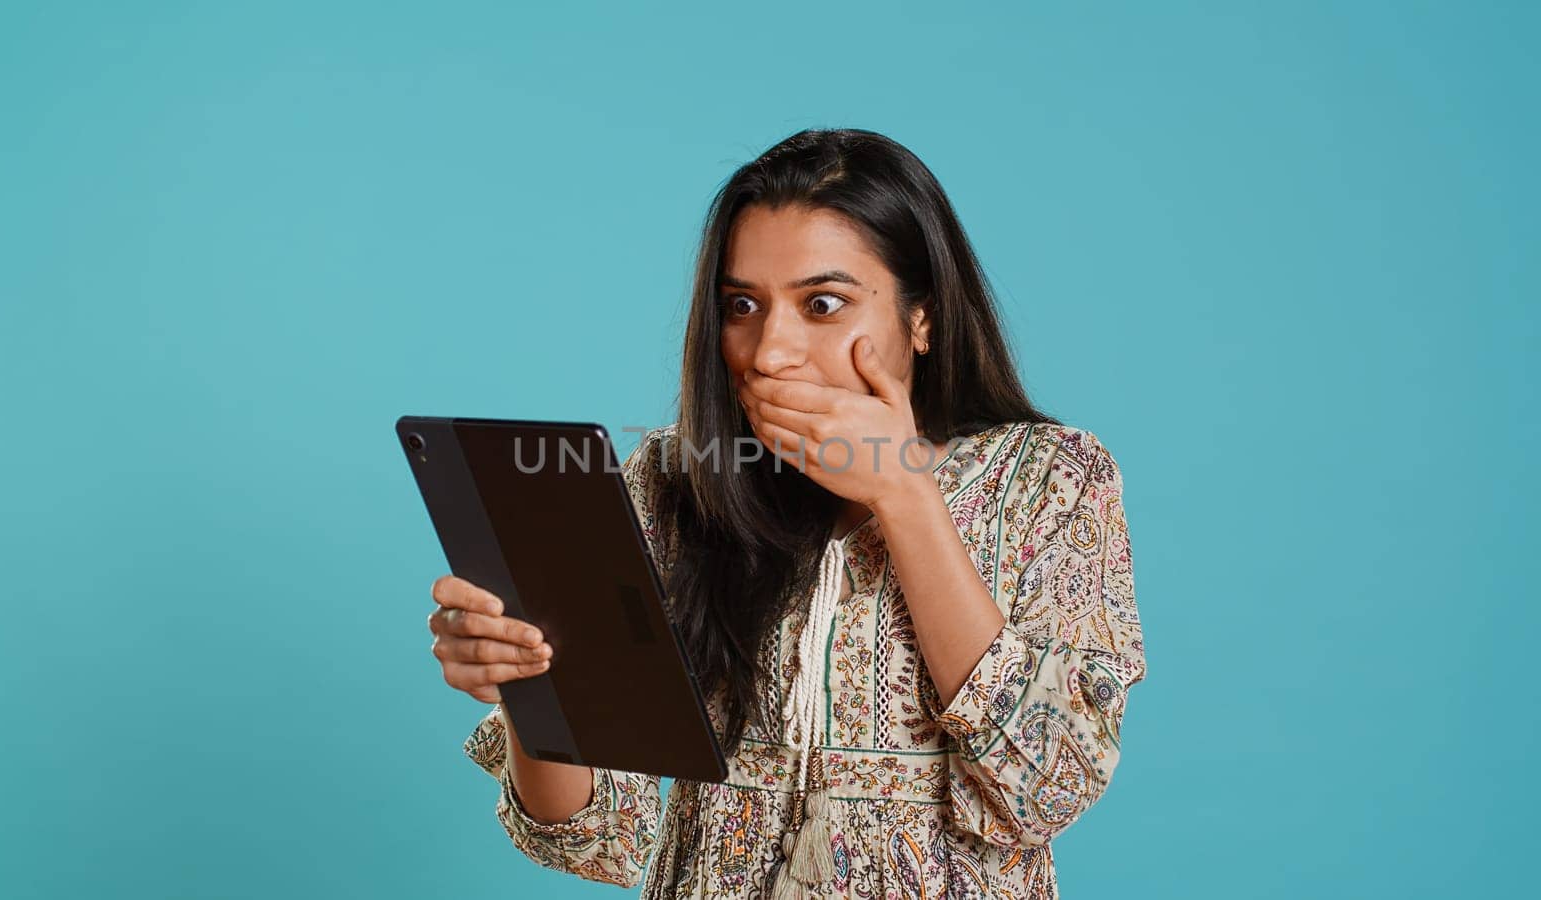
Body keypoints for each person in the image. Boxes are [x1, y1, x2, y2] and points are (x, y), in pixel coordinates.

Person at [426, 127, 1147, 899]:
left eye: (823, 304)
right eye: (742, 305)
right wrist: (534, 690)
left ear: (923, 318)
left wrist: (904, 494)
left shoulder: (1051, 478)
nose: (770, 351)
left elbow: (1050, 783)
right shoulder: (677, 481)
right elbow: (597, 837)